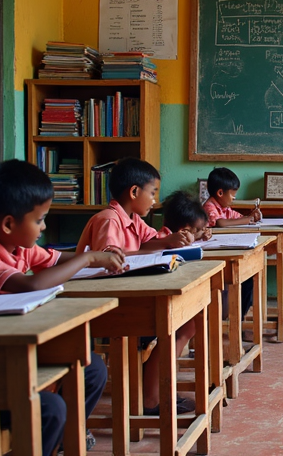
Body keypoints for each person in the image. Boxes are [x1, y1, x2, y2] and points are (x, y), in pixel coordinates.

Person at [0, 160, 125, 454]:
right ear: (8, 224)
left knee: (92, 369)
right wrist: (88, 259)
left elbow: (56, 260)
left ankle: (63, 437)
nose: (43, 227)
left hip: (12, 346)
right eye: (40, 220)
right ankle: (49, 439)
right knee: (51, 408)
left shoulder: (19, 246)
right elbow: (29, 286)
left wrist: (97, 254)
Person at [75, 158, 197, 415]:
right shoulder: (109, 220)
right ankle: (151, 397)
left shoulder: (132, 219)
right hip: (107, 303)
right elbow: (108, 259)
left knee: (187, 322)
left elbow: (150, 242)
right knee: (174, 321)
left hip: (130, 294)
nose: (155, 200)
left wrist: (172, 240)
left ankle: (154, 388)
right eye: (152, 193)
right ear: (134, 191)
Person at [203, 167, 259, 327]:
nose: (234, 198)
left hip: (226, 252)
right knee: (246, 281)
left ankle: (238, 320)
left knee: (249, 279)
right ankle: (236, 322)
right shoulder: (209, 207)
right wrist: (248, 220)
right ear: (220, 193)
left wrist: (251, 217)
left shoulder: (225, 208)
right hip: (214, 258)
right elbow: (220, 223)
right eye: (233, 194)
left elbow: (238, 218)